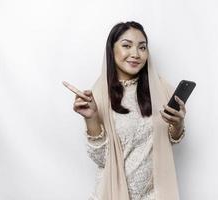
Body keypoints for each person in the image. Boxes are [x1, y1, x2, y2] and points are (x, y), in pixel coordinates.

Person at [63, 21, 186, 200]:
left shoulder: (160, 88)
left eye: (142, 47)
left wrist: (178, 123)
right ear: (111, 50)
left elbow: (169, 141)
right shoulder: (98, 94)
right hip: (111, 193)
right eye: (126, 46)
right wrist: (92, 118)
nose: (135, 54)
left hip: (153, 195)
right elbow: (101, 159)